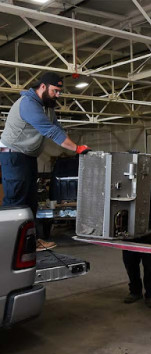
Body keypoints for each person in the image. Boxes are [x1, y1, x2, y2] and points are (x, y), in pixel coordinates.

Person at [0, 72, 90, 251]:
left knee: (31, 202)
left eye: (59, 92)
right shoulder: (28, 105)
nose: (57, 95)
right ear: (43, 87)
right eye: (55, 91)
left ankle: (29, 242)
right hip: (13, 155)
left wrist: (74, 147)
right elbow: (52, 132)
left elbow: (58, 128)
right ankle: (7, 247)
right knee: (15, 201)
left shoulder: (47, 106)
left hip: (28, 156)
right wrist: (77, 148)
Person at [122, 172, 151, 308]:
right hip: (129, 231)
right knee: (130, 263)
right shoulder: (126, 186)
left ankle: (150, 295)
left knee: (150, 265)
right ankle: (135, 291)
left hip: (149, 229)